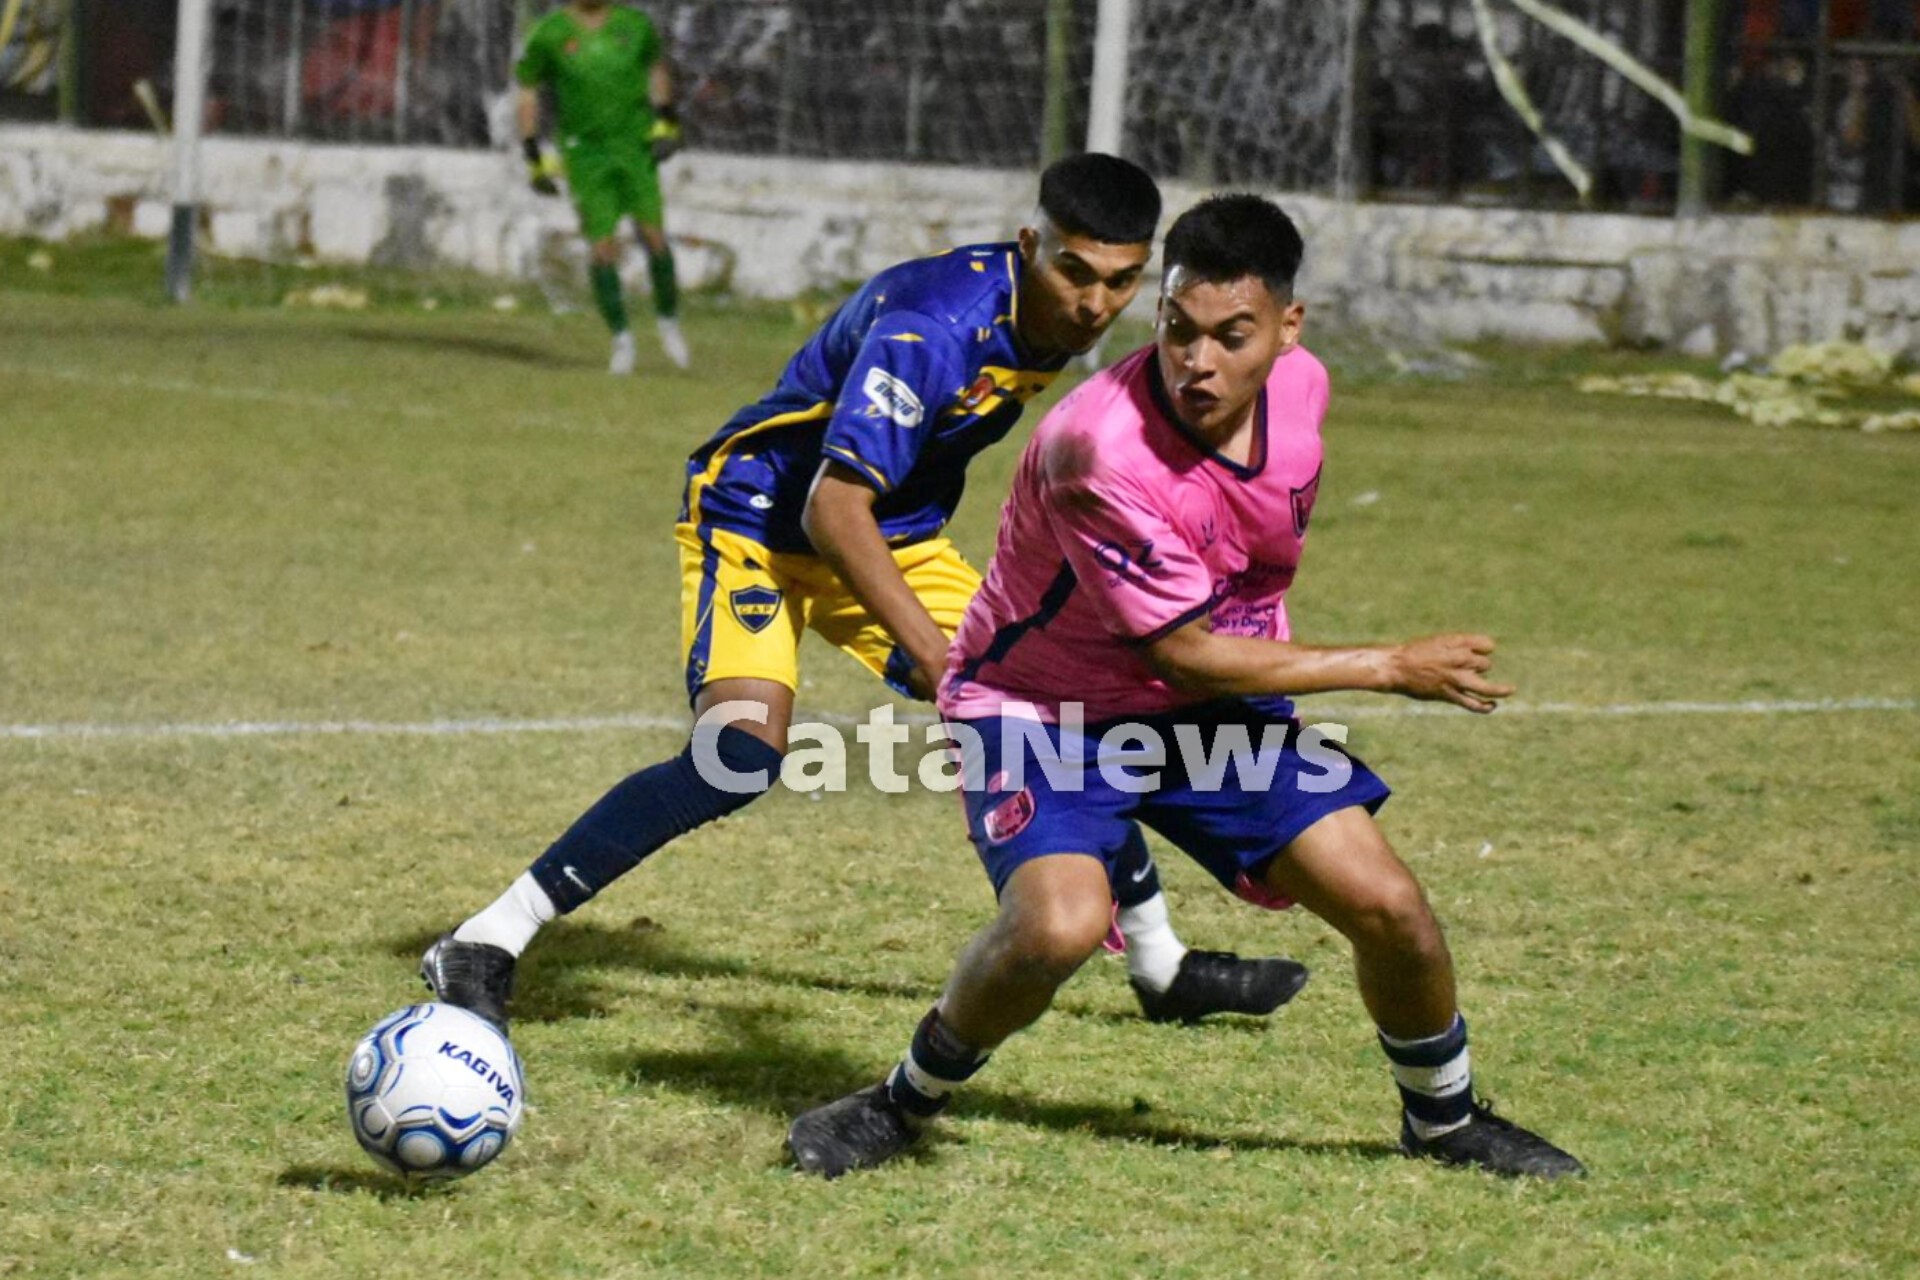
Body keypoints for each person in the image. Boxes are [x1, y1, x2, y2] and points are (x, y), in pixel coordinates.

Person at [787, 194, 1585, 1181]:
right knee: (1060, 924)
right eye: (1176, 329)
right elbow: (1185, 650)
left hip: (1206, 706)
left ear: (1288, 331)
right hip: (1046, 707)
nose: (1196, 359)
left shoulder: (1304, 392)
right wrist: (1386, 665)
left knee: (1391, 906)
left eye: (1229, 336)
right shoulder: (1098, 450)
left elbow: (1227, 603)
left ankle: (1446, 1119)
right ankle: (898, 1101)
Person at [421, 156, 1311, 1037]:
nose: (1093, 304)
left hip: (893, 535)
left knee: (1066, 710)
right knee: (736, 756)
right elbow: (831, 504)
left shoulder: (1068, 326)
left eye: (1119, 282)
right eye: (1073, 272)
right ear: (1031, 243)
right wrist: (939, 660)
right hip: (762, 520)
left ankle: (1159, 965)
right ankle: (483, 941)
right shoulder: (934, 327)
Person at [517, 0, 690, 375]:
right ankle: (622, 340)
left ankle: (668, 320)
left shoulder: (634, 24)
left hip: (634, 143)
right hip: (585, 153)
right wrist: (532, 154)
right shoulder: (550, 34)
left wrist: (666, 121)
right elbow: (528, 89)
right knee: (602, 245)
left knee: (654, 235)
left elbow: (656, 68)